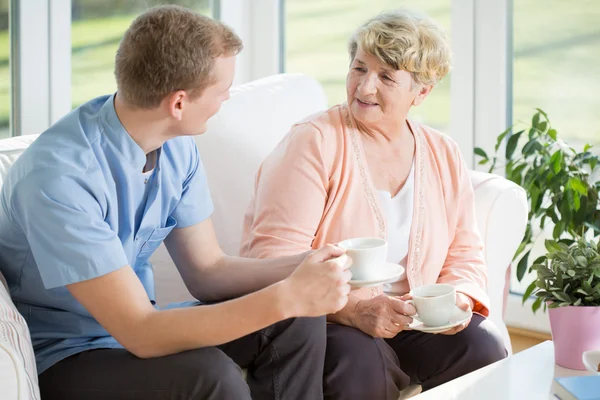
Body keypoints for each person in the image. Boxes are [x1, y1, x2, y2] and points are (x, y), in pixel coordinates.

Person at [0, 5, 353, 400]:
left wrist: (309, 264)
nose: (227, 98)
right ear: (179, 103)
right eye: (222, 90)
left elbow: (208, 271)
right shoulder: (58, 179)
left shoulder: (176, 146)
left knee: (296, 321)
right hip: (65, 356)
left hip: (140, 327)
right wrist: (286, 295)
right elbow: (140, 333)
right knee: (210, 374)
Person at [240, 10, 507, 399]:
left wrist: (457, 300)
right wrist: (351, 310)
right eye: (359, 69)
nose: (364, 88)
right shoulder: (314, 142)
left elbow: (464, 251)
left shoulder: (442, 152)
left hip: (411, 322)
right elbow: (273, 257)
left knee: (483, 344)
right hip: (328, 320)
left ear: (422, 91)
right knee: (361, 359)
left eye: (385, 77)